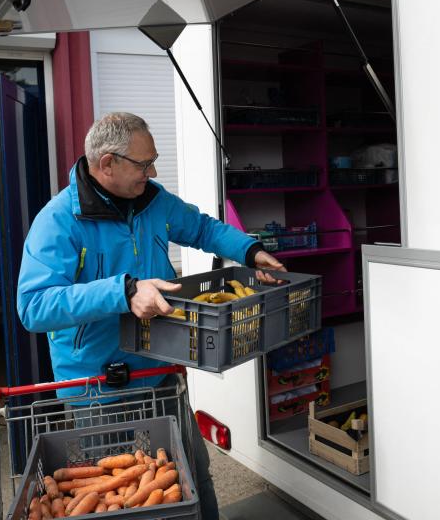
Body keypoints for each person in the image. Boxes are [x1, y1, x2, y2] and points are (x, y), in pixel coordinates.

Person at [16, 112, 285, 519]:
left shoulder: (153, 201)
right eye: (144, 164)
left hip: (159, 371)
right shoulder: (57, 222)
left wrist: (249, 250)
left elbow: (201, 228)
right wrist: (122, 292)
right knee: (118, 498)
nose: (153, 171)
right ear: (107, 163)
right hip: (96, 389)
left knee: (193, 476)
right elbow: (33, 307)